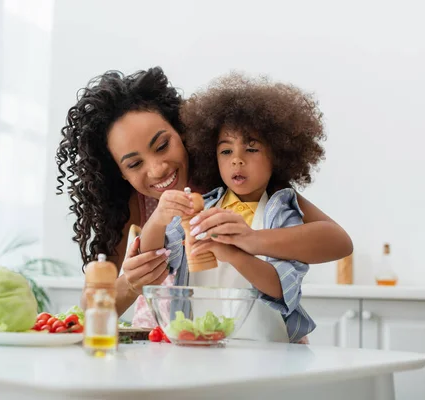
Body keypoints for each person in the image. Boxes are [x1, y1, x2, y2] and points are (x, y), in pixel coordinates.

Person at [55, 67, 353, 322]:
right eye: (134, 164)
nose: (157, 169)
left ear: (182, 129)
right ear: (120, 172)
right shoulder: (136, 207)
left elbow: (338, 241)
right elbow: (90, 311)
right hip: (171, 352)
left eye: (162, 145)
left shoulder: (236, 180)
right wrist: (130, 284)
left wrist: (249, 239)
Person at [139, 72, 325, 342]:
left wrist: (234, 253)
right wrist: (158, 219)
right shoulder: (203, 207)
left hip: (268, 351)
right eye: (226, 151)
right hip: (202, 345)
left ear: (279, 154)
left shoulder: (281, 213)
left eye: (251, 149)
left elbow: (281, 289)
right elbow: (154, 256)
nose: (237, 160)